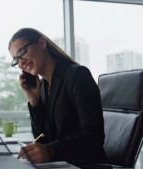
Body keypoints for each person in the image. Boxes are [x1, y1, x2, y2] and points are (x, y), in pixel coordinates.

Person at [8, 28, 108, 166]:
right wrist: (34, 101)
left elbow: (93, 137)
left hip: (85, 164)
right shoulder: (42, 86)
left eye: (22, 52)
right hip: (61, 164)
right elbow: (42, 140)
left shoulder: (77, 75)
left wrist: (50, 151)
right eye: (16, 60)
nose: (20, 63)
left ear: (42, 43)